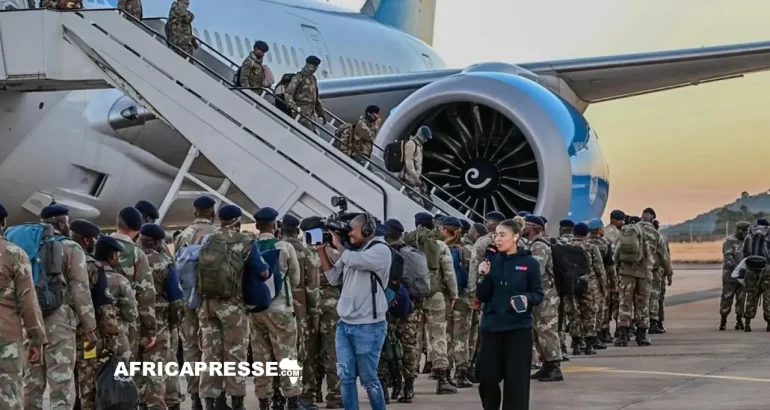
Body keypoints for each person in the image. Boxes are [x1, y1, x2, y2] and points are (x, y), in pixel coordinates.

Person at [23, 205, 97, 410]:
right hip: (60, 322)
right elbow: (80, 290)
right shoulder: (71, 248)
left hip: (29, 321)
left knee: (31, 382)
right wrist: (90, 328)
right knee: (61, 383)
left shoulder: (24, 245)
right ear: (61, 223)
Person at [316, 214, 392, 410]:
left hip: (369, 326)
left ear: (367, 230)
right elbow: (333, 278)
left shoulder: (380, 250)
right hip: (345, 325)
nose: (349, 233)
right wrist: (321, 251)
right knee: (346, 376)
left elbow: (356, 261)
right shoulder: (352, 253)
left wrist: (339, 244)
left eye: (353, 229)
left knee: (369, 379)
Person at [476, 219, 543, 410]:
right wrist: (482, 276)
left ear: (515, 237)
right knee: (487, 378)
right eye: (496, 235)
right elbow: (482, 295)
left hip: (518, 329)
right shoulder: (490, 261)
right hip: (492, 327)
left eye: (502, 235)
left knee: (516, 384)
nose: (498, 239)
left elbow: (538, 294)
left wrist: (526, 298)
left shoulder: (529, 263)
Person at [249, 208, 304, 410]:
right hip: (281, 309)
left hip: (256, 311)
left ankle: (265, 400)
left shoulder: (250, 247)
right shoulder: (284, 246)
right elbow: (296, 280)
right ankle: (292, 400)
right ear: (274, 226)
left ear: (257, 226)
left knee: (261, 357)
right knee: (287, 356)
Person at [70, 220, 121, 410]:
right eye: (93, 239)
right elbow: (104, 308)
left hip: (58, 332)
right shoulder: (91, 265)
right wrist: (111, 341)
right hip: (86, 336)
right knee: (87, 385)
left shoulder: (57, 258)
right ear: (86, 240)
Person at [0, 203, 47, 410]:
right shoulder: (14, 254)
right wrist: (36, 339)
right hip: (7, 340)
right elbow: (28, 302)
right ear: (3, 223)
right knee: (8, 395)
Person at [174, 196, 219, 410]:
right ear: (212, 212)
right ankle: (214, 396)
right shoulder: (218, 236)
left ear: (195, 213)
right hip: (212, 301)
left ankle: (195, 399)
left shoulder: (183, 236)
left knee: (191, 349)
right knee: (213, 350)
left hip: (188, 300)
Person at [280, 215, 321, 410]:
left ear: (281, 230)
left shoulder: (276, 248)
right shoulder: (307, 252)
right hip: (301, 309)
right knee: (302, 355)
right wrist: (315, 314)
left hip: (278, 308)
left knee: (282, 353)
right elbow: (313, 288)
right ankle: (302, 397)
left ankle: (280, 395)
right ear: (298, 231)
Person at [111, 206, 157, 358]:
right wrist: (150, 329)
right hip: (128, 320)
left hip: (100, 318)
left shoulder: (98, 245)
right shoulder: (136, 253)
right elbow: (146, 294)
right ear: (138, 227)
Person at [523, 215, 563, 382]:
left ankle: (554, 367)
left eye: (526, 225)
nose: (522, 227)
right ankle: (547, 365)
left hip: (546, 297)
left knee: (547, 331)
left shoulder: (539, 246)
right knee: (539, 331)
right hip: (540, 296)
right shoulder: (533, 245)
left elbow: (536, 271)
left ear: (533, 228)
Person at [719, 221, 750, 330]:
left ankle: (739, 320)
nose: (746, 233)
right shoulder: (729, 241)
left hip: (742, 277)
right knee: (727, 299)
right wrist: (738, 269)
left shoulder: (748, 241)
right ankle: (723, 321)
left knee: (741, 300)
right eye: (744, 230)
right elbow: (728, 258)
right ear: (738, 230)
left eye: (747, 230)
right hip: (730, 277)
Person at [285, 56, 326, 132]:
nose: (314, 69)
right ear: (308, 65)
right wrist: (294, 107)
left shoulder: (313, 79)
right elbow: (288, 93)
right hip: (301, 113)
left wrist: (321, 111)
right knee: (309, 134)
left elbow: (316, 98)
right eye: (313, 66)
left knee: (314, 133)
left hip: (310, 113)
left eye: (316, 67)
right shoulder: (299, 77)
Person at [400, 126, 432, 204]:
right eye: (425, 138)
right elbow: (409, 162)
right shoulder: (411, 144)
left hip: (413, 181)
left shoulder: (419, 146)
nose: (426, 140)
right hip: (407, 180)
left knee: (423, 202)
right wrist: (415, 177)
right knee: (419, 203)